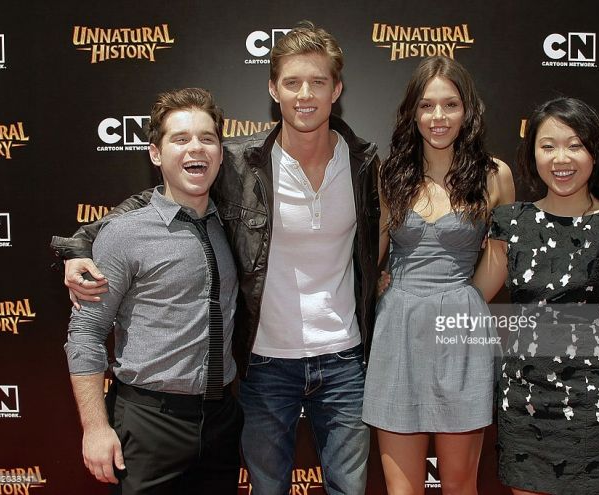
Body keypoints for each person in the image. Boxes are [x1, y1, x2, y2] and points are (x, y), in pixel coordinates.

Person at [52, 22, 379, 495]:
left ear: (337, 90)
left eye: (318, 81)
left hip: (343, 362)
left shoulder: (365, 164)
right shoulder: (241, 164)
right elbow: (154, 202)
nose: (305, 94)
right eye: (292, 82)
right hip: (263, 366)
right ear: (274, 90)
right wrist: (78, 247)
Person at [64, 87, 243, 494]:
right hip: (148, 424)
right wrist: (95, 428)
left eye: (207, 138)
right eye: (180, 139)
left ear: (220, 153)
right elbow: (86, 333)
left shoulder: (234, 226)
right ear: (155, 154)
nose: (195, 148)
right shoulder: (124, 234)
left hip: (221, 422)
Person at [473, 97, 599, 495]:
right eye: (548, 146)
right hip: (523, 398)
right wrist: (404, 280)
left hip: (593, 402)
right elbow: (473, 294)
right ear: (532, 153)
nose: (561, 158)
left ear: (595, 152)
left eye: (575, 145)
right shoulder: (510, 222)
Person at [363, 56, 514, 494]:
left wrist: (459, 301)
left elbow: (499, 260)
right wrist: (376, 284)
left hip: (462, 332)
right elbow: (372, 253)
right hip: (398, 329)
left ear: (468, 110)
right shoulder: (390, 174)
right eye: (427, 105)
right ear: (413, 112)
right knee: (401, 489)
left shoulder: (494, 176)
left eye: (450, 104)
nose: (438, 116)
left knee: (461, 485)